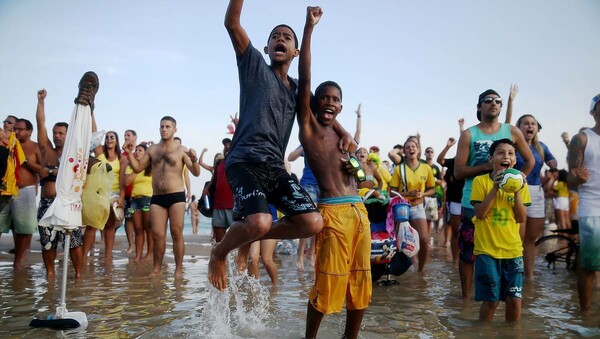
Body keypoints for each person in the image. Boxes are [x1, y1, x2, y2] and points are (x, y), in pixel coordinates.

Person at [208, 0, 354, 290]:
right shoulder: (253, 66)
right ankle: (219, 251)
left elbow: (324, 110)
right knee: (260, 221)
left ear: (295, 52)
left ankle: (250, 234)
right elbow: (232, 24)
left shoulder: (299, 89)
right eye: (275, 36)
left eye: (287, 38)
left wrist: (343, 129)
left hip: (274, 168)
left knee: (312, 222)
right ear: (266, 48)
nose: (280, 40)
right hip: (244, 161)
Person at [298, 7, 370, 338]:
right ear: (314, 103)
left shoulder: (343, 140)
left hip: (359, 211)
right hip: (333, 212)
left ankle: (349, 337)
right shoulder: (310, 131)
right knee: (328, 281)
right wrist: (309, 29)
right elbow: (307, 78)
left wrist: (347, 139)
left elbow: (364, 176)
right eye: (324, 98)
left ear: (341, 105)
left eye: (335, 99)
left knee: (361, 281)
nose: (329, 102)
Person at [454, 89, 534, 299]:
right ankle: (465, 298)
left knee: (506, 249)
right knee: (468, 252)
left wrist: (517, 181)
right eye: (487, 101)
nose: (493, 103)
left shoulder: (512, 131)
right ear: (479, 107)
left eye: (497, 101)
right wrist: (490, 169)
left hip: (507, 201)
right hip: (474, 199)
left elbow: (530, 160)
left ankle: (500, 294)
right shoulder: (469, 134)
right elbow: (458, 171)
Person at [124, 116, 201, 277]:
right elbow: (137, 168)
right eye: (161, 126)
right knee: (157, 234)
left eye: (167, 126)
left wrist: (194, 161)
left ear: (174, 129)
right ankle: (156, 268)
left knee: (176, 232)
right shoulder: (153, 149)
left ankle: (178, 269)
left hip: (176, 196)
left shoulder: (181, 149)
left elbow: (196, 172)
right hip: (157, 197)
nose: (164, 129)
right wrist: (130, 153)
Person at [471, 139, 530, 322]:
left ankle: (512, 334)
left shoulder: (521, 184)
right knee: (492, 300)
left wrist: (517, 191)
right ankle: (483, 333)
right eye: (501, 153)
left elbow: (521, 218)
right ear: (492, 158)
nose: (506, 156)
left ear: (515, 160)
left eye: (511, 153)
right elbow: (480, 214)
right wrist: (496, 186)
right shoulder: (480, 181)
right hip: (487, 251)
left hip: (513, 251)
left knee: (514, 300)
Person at [35, 89, 84, 278]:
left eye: (61, 133)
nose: (57, 136)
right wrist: (41, 102)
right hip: (47, 203)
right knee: (47, 242)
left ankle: (78, 275)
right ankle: (50, 275)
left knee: (74, 242)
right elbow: (40, 123)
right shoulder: (47, 150)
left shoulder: (75, 153)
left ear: (68, 134)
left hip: (68, 203)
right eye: (55, 133)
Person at [566, 93, 600, 311]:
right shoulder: (583, 139)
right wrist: (577, 177)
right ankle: (585, 313)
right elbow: (569, 179)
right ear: (593, 111)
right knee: (589, 264)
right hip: (593, 208)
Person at [514, 114, 557, 279]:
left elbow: (552, 161)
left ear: (536, 128)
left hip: (537, 191)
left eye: (533, 123)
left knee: (531, 237)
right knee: (519, 236)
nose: (530, 126)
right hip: (519, 189)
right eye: (526, 123)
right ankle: (515, 272)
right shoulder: (514, 145)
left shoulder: (541, 147)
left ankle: (529, 276)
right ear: (519, 127)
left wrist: (553, 164)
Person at [389, 136, 436, 272]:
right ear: (404, 152)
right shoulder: (400, 169)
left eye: (413, 146)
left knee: (424, 239)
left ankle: (420, 270)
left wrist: (423, 194)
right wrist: (408, 193)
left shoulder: (426, 168)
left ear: (418, 149)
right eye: (408, 147)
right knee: (402, 242)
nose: (411, 149)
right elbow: (392, 192)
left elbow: (432, 189)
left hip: (418, 207)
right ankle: (409, 265)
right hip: (401, 209)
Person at [436, 119, 465, 263]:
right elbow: (440, 160)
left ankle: (469, 258)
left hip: (471, 200)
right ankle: (455, 261)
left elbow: (466, 141)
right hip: (454, 201)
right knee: (456, 231)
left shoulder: (471, 161)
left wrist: (462, 129)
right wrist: (447, 146)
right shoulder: (453, 161)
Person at [93, 131, 123, 262]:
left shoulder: (121, 158)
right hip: (98, 192)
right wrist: (91, 111)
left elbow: (122, 181)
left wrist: (121, 197)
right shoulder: (100, 153)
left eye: (112, 137)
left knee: (110, 226)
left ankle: (108, 256)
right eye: (107, 137)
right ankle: (84, 256)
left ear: (116, 141)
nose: (109, 139)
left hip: (114, 194)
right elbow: (94, 133)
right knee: (93, 225)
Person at [125, 143, 154, 261]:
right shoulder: (130, 166)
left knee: (148, 227)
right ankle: (138, 255)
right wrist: (137, 168)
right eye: (136, 150)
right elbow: (126, 182)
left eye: (140, 150)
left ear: (146, 153)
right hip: (134, 200)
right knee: (138, 228)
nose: (137, 152)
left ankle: (149, 253)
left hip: (148, 199)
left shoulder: (152, 166)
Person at [209, 138, 234, 243]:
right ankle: (223, 260)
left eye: (230, 144)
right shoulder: (219, 163)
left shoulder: (238, 161)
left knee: (238, 240)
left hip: (234, 205)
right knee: (219, 242)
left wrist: (237, 125)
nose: (227, 146)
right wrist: (206, 189)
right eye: (225, 145)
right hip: (218, 204)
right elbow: (214, 180)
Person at [120, 129, 138, 254]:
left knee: (140, 220)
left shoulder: (140, 152)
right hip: (126, 192)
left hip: (138, 192)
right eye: (125, 135)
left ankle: (141, 244)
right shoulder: (122, 155)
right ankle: (131, 245)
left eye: (128, 135)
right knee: (128, 219)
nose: (126, 137)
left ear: (135, 137)